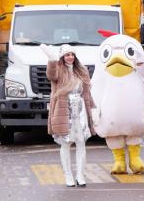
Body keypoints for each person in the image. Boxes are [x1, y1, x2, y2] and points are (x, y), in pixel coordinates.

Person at [40, 44, 96, 187]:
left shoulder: (82, 70)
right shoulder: (58, 70)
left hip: (81, 110)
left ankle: (80, 175)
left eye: (72, 54)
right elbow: (50, 75)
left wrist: (92, 109)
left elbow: (87, 92)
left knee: (81, 143)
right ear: (62, 57)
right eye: (67, 55)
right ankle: (68, 175)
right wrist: (52, 59)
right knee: (66, 144)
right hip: (64, 110)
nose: (70, 57)